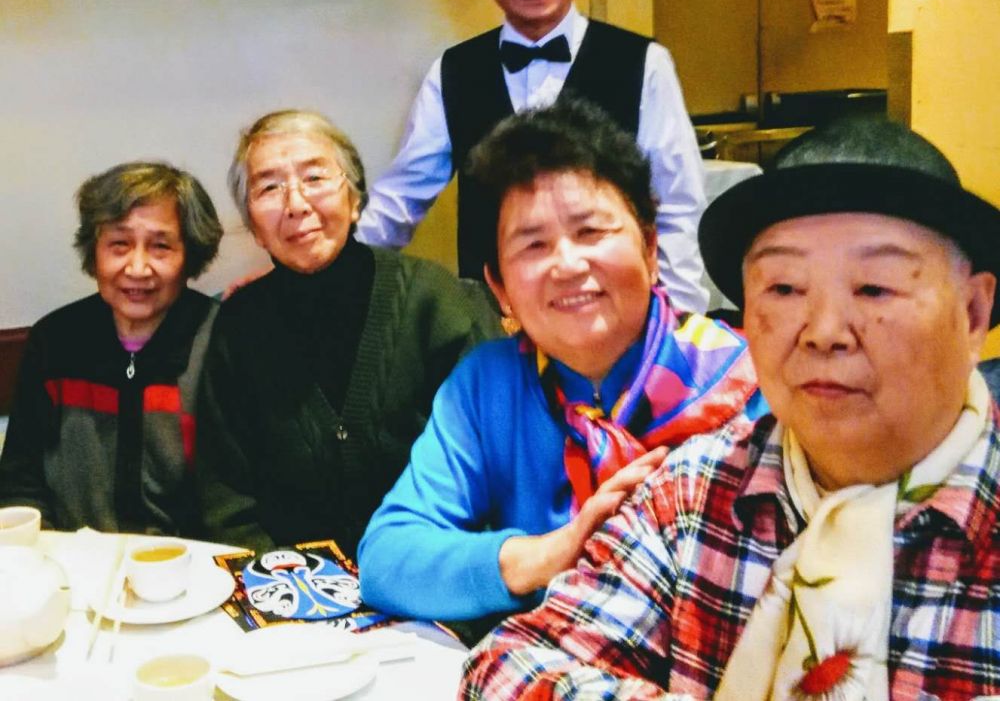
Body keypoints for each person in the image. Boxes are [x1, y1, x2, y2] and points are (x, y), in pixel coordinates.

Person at [460, 117, 1000, 700]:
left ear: (972, 312)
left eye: (874, 288)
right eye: (784, 289)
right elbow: (509, 664)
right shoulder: (693, 493)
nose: (823, 331)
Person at [358, 100, 765, 631]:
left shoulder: (750, 384)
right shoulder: (486, 386)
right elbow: (387, 558)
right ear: (500, 288)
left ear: (650, 248)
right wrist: (555, 551)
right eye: (533, 245)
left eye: (591, 232)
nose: (568, 265)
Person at [356, 0, 709, 314]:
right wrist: (334, 270)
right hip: (491, 319)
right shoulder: (453, 71)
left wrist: (680, 318)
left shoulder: (644, 63)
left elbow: (677, 205)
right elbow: (400, 200)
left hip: (608, 315)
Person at [195, 110, 500, 558]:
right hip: (289, 584)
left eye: (314, 178)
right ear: (255, 228)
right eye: (269, 187)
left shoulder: (437, 302)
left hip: (434, 575)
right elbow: (224, 497)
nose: (296, 204)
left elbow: (494, 469)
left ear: (355, 200)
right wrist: (281, 583)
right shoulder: (238, 325)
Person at [0, 162, 223, 535]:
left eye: (160, 246)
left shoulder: (220, 340)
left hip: (193, 562)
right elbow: (20, 485)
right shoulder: (54, 341)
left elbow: (238, 498)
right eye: (119, 244)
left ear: (190, 256)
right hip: (74, 559)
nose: (137, 268)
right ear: (94, 253)